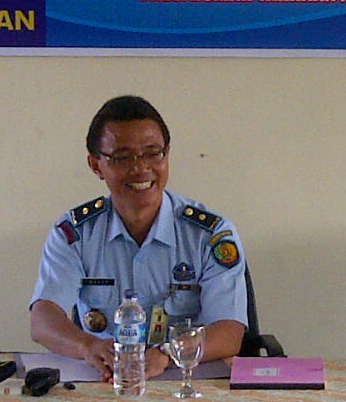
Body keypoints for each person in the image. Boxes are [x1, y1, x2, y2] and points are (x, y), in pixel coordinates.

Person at [30, 95, 247, 381]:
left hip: (186, 382)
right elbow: (43, 319)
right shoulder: (75, 233)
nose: (141, 168)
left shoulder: (209, 234)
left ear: (167, 155)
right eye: (123, 157)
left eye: (153, 153)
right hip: (106, 380)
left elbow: (230, 331)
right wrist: (89, 346)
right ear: (96, 165)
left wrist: (167, 353)